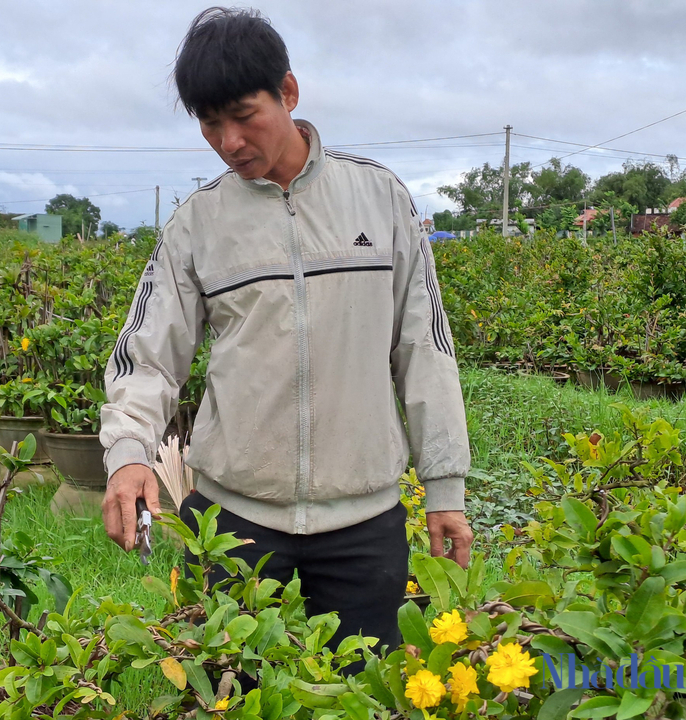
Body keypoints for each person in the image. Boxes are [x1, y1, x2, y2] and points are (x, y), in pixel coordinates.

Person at [100, 7, 473, 656]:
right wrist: (127, 452)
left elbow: (424, 350)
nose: (229, 141)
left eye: (244, 116)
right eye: (210, 124)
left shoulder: (379, 199)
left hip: (365, 521)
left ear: (289, 93)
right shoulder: (197, 224)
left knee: (364, 691)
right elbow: (148, 361)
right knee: (236, 691)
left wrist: (444, 487)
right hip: (233, 521)